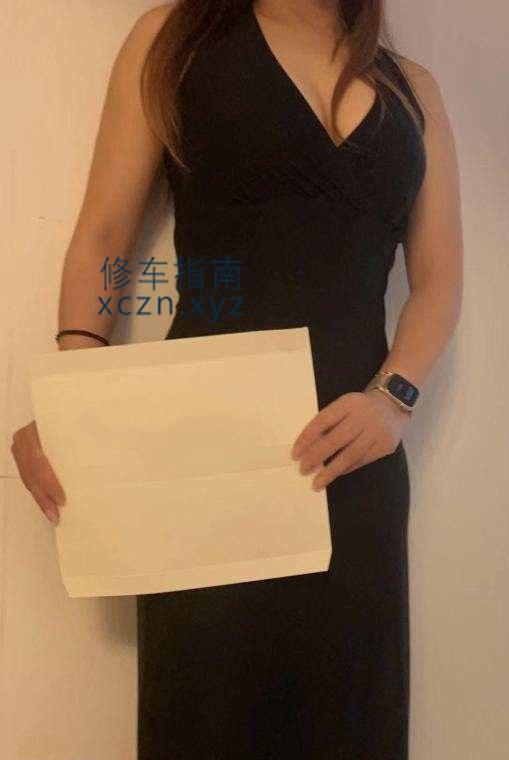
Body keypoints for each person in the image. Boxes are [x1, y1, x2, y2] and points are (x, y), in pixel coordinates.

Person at [11, 1, 463, 757]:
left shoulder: (413, 89)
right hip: (201, 457)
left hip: (352, 461)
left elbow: (440, 280)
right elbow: (104, 235)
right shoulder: (178, 37)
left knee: (348, 720)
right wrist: (71, 406)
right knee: (205, 715)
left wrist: (394, 401)